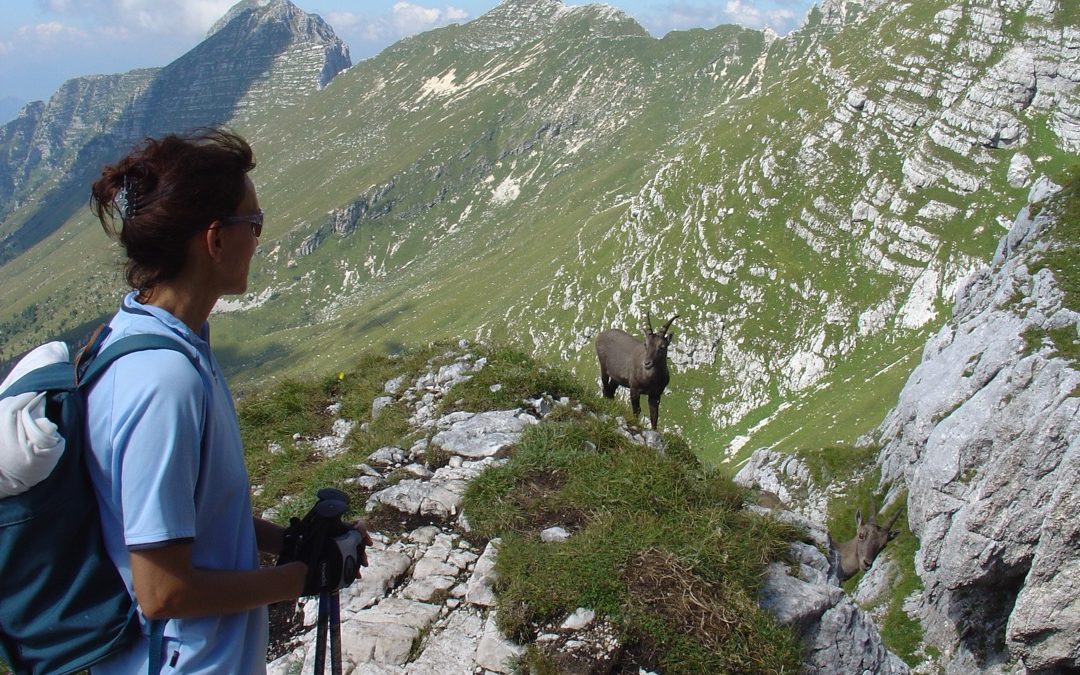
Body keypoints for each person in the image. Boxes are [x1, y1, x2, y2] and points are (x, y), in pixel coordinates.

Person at [85, 128, 368, 674]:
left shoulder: (167, 341)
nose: (259, 239)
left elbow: (195, 520)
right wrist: (305, 577)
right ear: (214, 240)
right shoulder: (163, 382)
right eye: (254, 225)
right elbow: (162, 591)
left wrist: (295, 542)